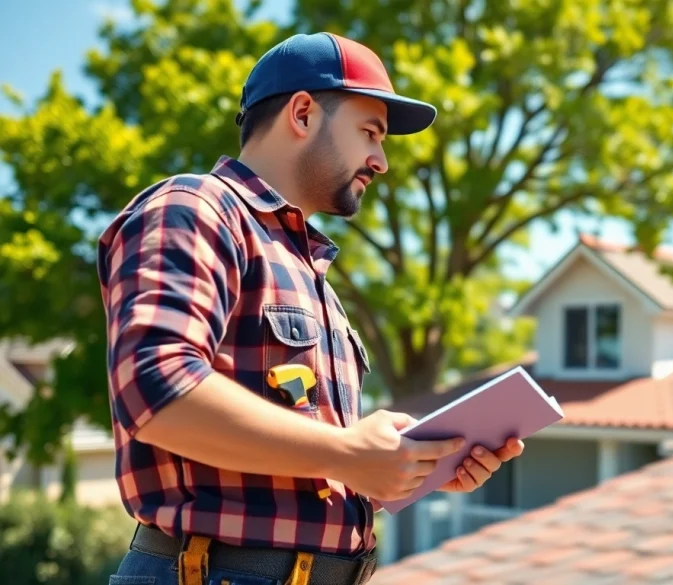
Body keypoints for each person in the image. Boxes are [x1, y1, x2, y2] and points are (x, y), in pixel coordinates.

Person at [97, 32, 524, 585]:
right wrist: (345, 452)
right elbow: (154, 389)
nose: (382, 160)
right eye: (370, 132)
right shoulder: (194, 209)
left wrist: (404, 465)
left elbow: (309, 461)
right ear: (302, 113)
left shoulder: (307, 270)